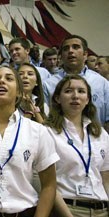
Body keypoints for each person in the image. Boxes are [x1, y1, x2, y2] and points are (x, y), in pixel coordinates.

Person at [0, 66, 59, 217]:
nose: (1, 81)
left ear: (19, 92)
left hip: (24, 212)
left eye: (9, 78)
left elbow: (49, 185)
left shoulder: (38, 131)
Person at [45, 74, 109, 217]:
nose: (75, 96)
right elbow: (48, 183)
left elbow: (106, 178)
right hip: (69, 208)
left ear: (87, 100)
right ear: (57, 98)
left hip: (103, 210)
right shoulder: (48, 132)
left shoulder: (100, 133)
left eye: (81, 91)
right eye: (68, 91)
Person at [43, 35, 109, 133]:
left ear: (85, 54)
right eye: (66, 49)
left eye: (76, 47)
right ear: (61, 56)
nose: (70, 51)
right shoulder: (49, 84)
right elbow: (45, 118)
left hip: (96, 141)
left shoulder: (101, 83)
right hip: (60, 141)